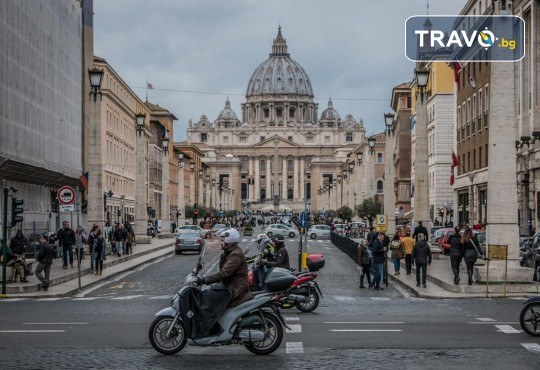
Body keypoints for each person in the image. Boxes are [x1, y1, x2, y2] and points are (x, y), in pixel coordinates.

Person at [197, 229, 253, 307]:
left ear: (229, 242)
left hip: (235, 290)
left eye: (222, 241)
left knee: (209, 298)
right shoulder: (230, 252)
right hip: (230, 285)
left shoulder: (235, 255)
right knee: (209, 293)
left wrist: (204, 280)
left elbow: (224, 273)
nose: (221, 243)